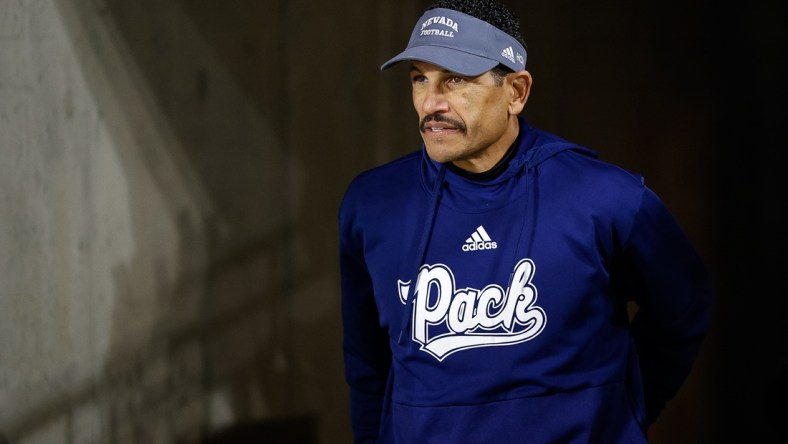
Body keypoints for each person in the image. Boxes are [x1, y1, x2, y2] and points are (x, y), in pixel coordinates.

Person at [338, 0, 713, 442]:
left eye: (455, 79)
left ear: (516, 91)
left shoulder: (606, 198)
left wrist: (621, 413)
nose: (431, 103)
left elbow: (683, 310)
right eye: (420, 78)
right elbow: (367, 366)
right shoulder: (373, 204)